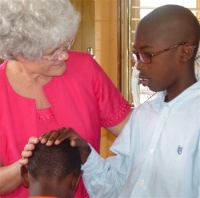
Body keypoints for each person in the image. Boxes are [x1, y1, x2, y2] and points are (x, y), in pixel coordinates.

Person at [23, 4, 200, 198]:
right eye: (136, 55)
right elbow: (116, 187)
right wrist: (85, 154)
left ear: (185, 52)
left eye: (147, 55)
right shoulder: (143, 116)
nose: (139, 65)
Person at [0, 0, 131, 197]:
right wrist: (29, 165)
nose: (65, 57)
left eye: (66, 45)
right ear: (20, 54)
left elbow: (137, 137)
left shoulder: (86, 69)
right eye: (53, 53)